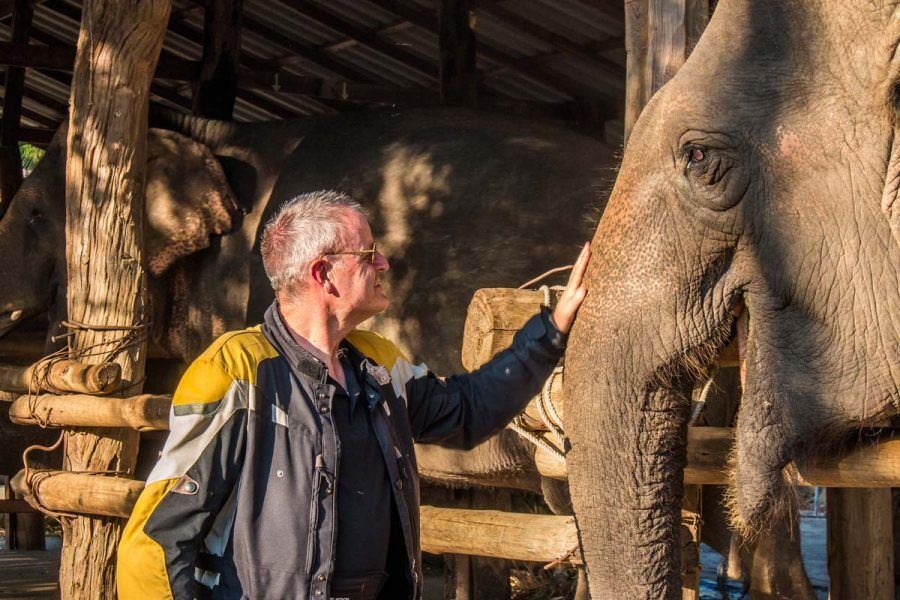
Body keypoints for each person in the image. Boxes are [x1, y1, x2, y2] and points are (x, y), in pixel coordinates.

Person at [117, 190, 590, 600]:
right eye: (368, 256)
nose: (383, 263)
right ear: (323, 274)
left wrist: (550, 330)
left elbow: (467, 410)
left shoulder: (378, 365)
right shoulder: (235, 371)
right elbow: (156, 539)